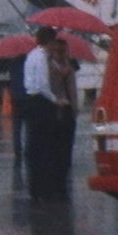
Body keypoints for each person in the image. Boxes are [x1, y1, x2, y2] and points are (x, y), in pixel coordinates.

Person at [23, 26, 60, 203]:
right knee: (46, 147)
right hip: (42, 102)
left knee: (34, 147)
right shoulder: (43, 58)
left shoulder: (31, 55)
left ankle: (34, 189)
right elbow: (43, 84)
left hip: (30, 100)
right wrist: (55, 99)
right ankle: (46, 189)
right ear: (50, 41)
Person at [50, 37, 79, 197]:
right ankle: (55, 183)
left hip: (69, 111)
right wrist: (61, 73)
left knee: (67, 148)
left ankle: (63, 181)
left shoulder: (71, 65)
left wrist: (75, 109)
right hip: (55, 110)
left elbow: (73, 89)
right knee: (56, 148)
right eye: (58, 49)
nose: (61, 53)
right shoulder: (49, 66)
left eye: (63, 49)